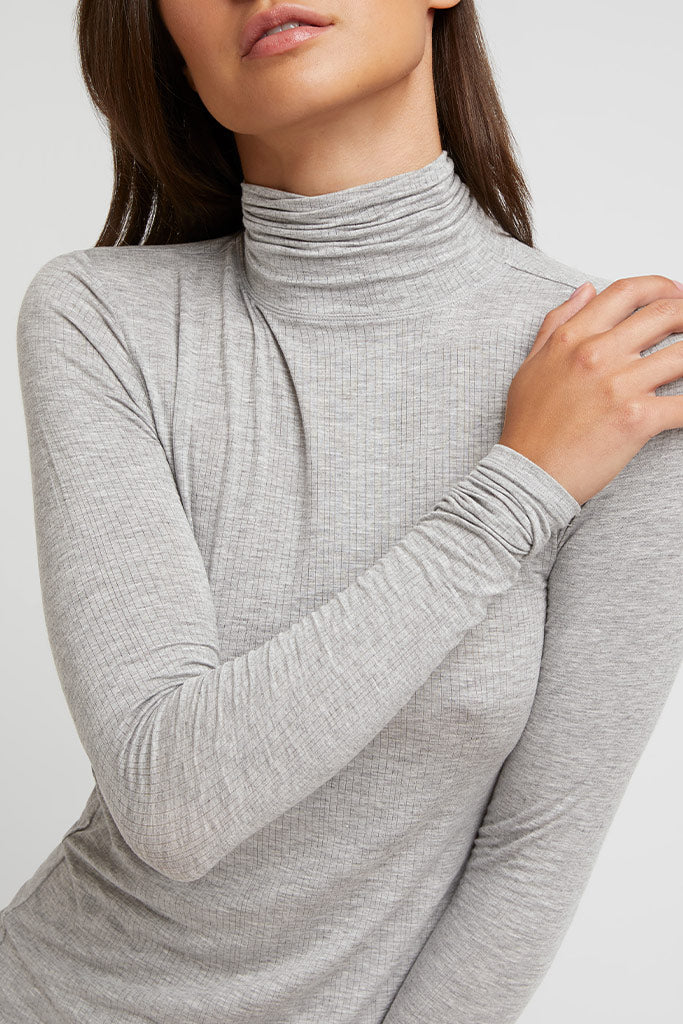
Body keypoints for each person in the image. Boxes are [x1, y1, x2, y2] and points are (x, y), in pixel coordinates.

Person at [2, 1, 682, 1021]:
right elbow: (172, 805)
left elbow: (533, 847)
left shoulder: (619, 379)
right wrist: (520, 484)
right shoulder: (102, 319)